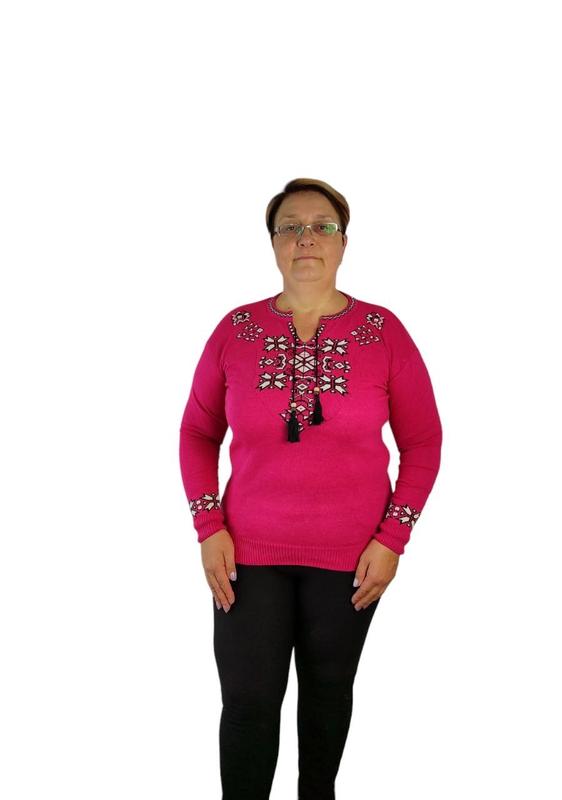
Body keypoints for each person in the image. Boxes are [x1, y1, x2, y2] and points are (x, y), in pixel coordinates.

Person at [178, 177, 443, 799]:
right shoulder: (235, 329)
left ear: (344, 243)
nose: (306, 238)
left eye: (322, 226)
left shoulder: (383, 331)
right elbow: (197, 432)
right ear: (273, 243)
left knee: (326, 701)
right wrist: (208, 525)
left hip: (353, 560)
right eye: (291, 227)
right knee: (248, 704)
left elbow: (425, 442)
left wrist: (393, 539)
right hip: (246, 557)